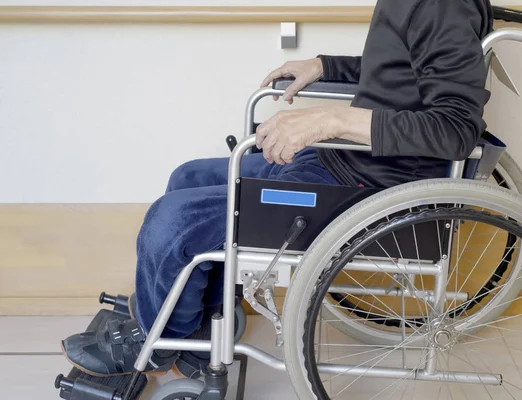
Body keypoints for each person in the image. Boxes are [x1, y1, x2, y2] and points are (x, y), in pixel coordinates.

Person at [62, 0, 493, 376]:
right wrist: (326, 66)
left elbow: (455, 128)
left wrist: (332, 120)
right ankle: (203, 319)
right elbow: (399, 74)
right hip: (340, 158)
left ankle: (158, 341)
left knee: (172, 219)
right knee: (188, 177)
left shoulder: (442, 4)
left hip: (367, 187)